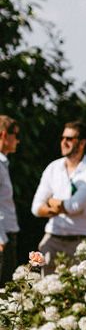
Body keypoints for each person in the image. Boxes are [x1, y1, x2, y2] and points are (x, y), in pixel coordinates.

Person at [31, 120, 86, 272]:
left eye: (69, 139)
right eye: (63, 138)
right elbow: (36, 207)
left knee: (78, 294)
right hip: (52, 238)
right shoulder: (53, 167)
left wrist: (51, 201)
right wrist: (60, 206)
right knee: (45, 291)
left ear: (82, 143)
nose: (64, 142)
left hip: (80, 242)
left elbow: (74, 206)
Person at [0, 115, 20, 286]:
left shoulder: (3, 163)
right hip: (2, 236)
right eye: (16, 135)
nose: (18, 140)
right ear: (4, 135)